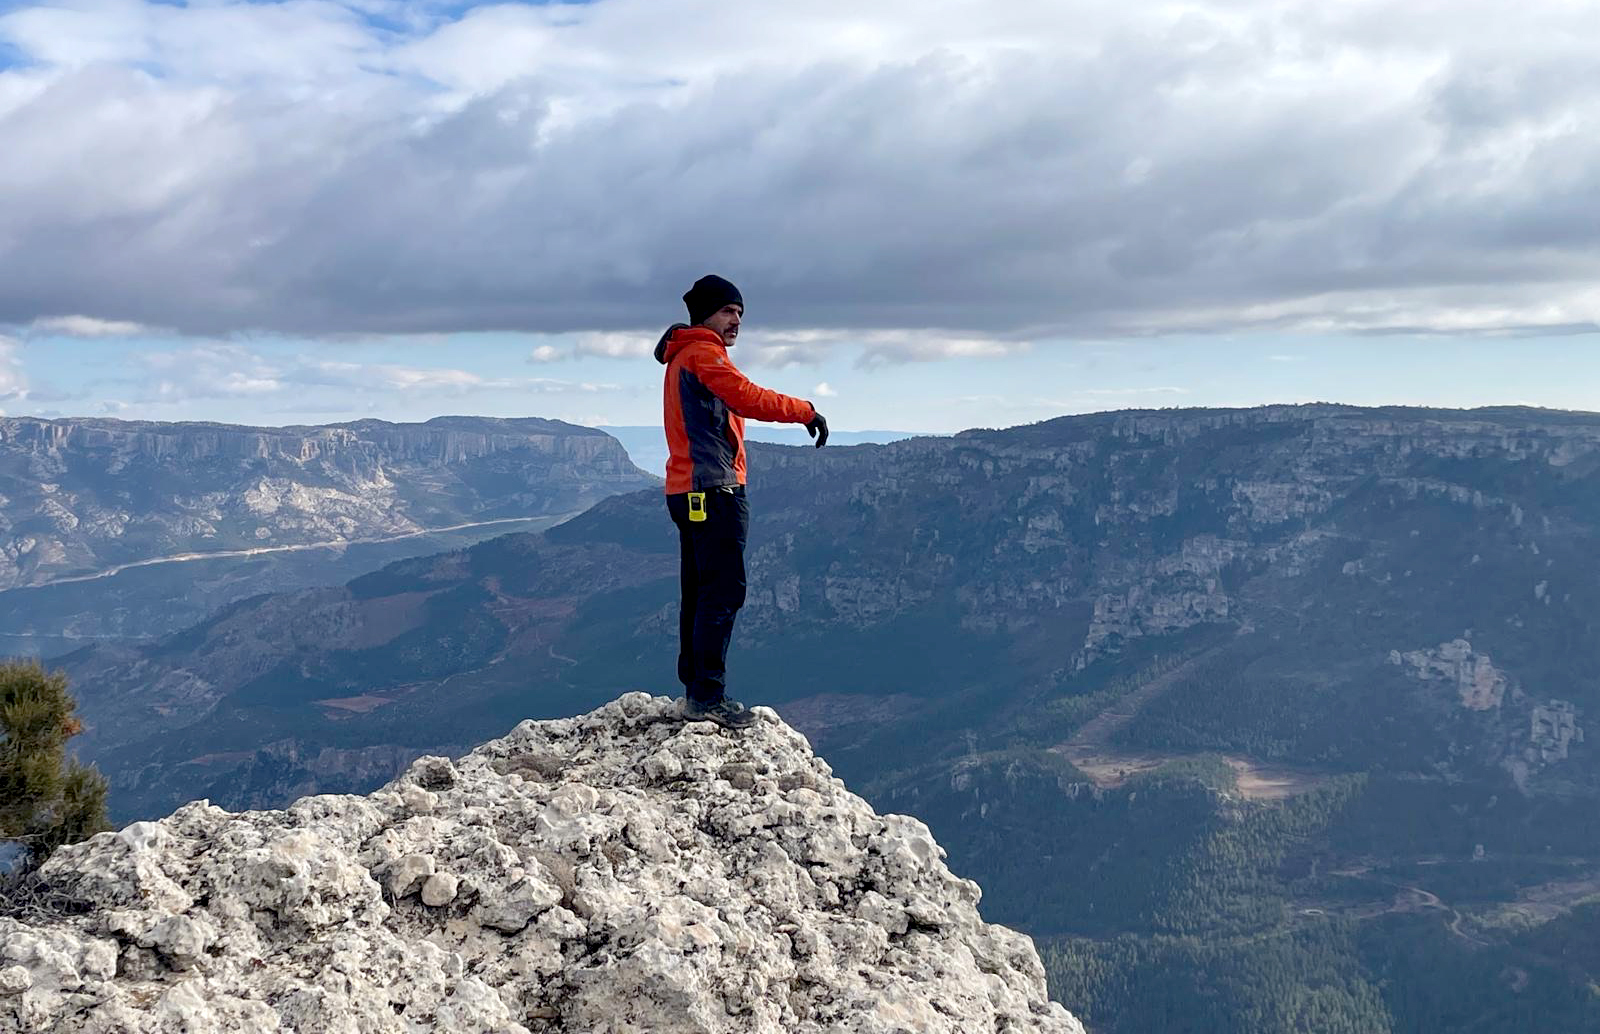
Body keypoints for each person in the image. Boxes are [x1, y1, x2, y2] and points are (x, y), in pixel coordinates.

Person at [656, 274, 828, 730]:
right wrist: (805, 411)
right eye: (728, 311)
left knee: (699, 591)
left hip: (687, 490)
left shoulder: (682, 356)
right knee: (722, 592)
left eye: (740, 313)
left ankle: (696, 688)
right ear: (706, 314)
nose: (736, 321)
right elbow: (747, 397)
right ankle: (707, 697)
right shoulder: (703, 354)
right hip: (715, 490)